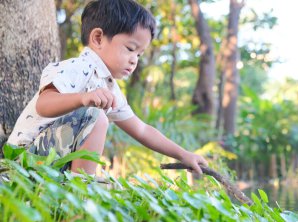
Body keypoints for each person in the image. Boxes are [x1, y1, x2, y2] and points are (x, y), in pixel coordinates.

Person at [7, 0, 207, 175]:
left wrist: (184, 154)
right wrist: (83, 98)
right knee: (96, 117)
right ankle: (79, 194)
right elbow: (44, 104)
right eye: (130, 49)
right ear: (98, 39)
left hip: (47, 160)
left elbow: (142, 130)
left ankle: (75, 189)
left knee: (95, 117)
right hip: (21, 160)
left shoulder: (109, 87)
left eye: (139, 54)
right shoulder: (76, 67)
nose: (134, 60)